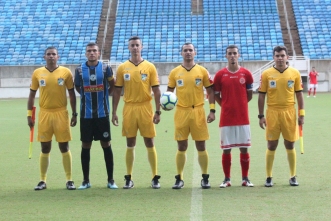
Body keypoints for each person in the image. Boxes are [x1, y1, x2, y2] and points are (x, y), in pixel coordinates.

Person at [111, 36, 162, 189]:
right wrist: (114, 112)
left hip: (146, 107)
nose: (134, 48)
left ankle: (154, 177)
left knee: (149, 141)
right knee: (130, 142)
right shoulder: (122, 68)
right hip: (129, 108)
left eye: (137, 45)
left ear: (142, 47)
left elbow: (156, 90)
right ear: (128, 48)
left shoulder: (150, 67)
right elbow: (117, 91)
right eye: (132, 45)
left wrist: (158, 111)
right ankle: (129, 177)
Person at [165, 43, 215, 189]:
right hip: (181, 111)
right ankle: (179, 178)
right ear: (181, 53)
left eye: (190, 50)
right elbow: (169, 93)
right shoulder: (175, 72)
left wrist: (212, 110)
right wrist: (166, 104)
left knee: (201, 145)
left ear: (195, 53)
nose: (188, 53)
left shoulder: (202, 71)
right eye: (185, 50)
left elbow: (210, 91)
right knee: (182, 145)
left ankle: (205, 177)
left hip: (198, 111)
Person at [27, 46, 77, 190]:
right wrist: (29, 115)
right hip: (44, 114)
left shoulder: (65, 72)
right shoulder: (37, 73)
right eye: (48, 54)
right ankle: (42, 180)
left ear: (58, 57)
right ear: (44, 57)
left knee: (64, 146)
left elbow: (72, 94)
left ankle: (69, 180)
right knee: (45, 147)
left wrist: (74, 114)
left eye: (53, 54)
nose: (51, 56)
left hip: (61, 113)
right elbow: (31, 95)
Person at [258, 45, 304, 187]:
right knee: (272, 144)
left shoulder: (295, 73)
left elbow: (299, 94)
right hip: (272, 112)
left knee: (290, 143)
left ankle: (292, 176)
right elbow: (261, 96)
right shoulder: (266, 74)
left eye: (282, 55)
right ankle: (269, 177)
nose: (280, 58)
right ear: (273, 57)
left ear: (287, 57)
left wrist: (301, 114)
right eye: (277, 56)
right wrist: (261, 116)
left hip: (289, 111)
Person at [74, 42, 118, 190]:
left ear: (99, 53)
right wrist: (87, 96)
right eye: (89, 51)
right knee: (86, 145)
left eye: (94, 51)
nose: (92, 53)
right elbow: (78, 87)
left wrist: (105, 95)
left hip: (102, 114)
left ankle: (111, 180)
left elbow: (112, 85)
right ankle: (86, 180)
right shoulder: (79, 70)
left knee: (106, 144)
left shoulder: (106, 68)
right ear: (86, 53)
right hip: (86, 115)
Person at [213, 45, 254, 188]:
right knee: (226, 149)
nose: (232, 56)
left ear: (239, 55)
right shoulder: (220, 75)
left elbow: (249, 95)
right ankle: (227, 179)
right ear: (226, 56)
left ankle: (245, 178)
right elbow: (216, 94)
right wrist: (225, 105)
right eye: (229, 53)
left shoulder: (246, 74)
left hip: (243, 117)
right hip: (226, 118)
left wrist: (240, 104)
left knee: (244, 148)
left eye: (234, 53)